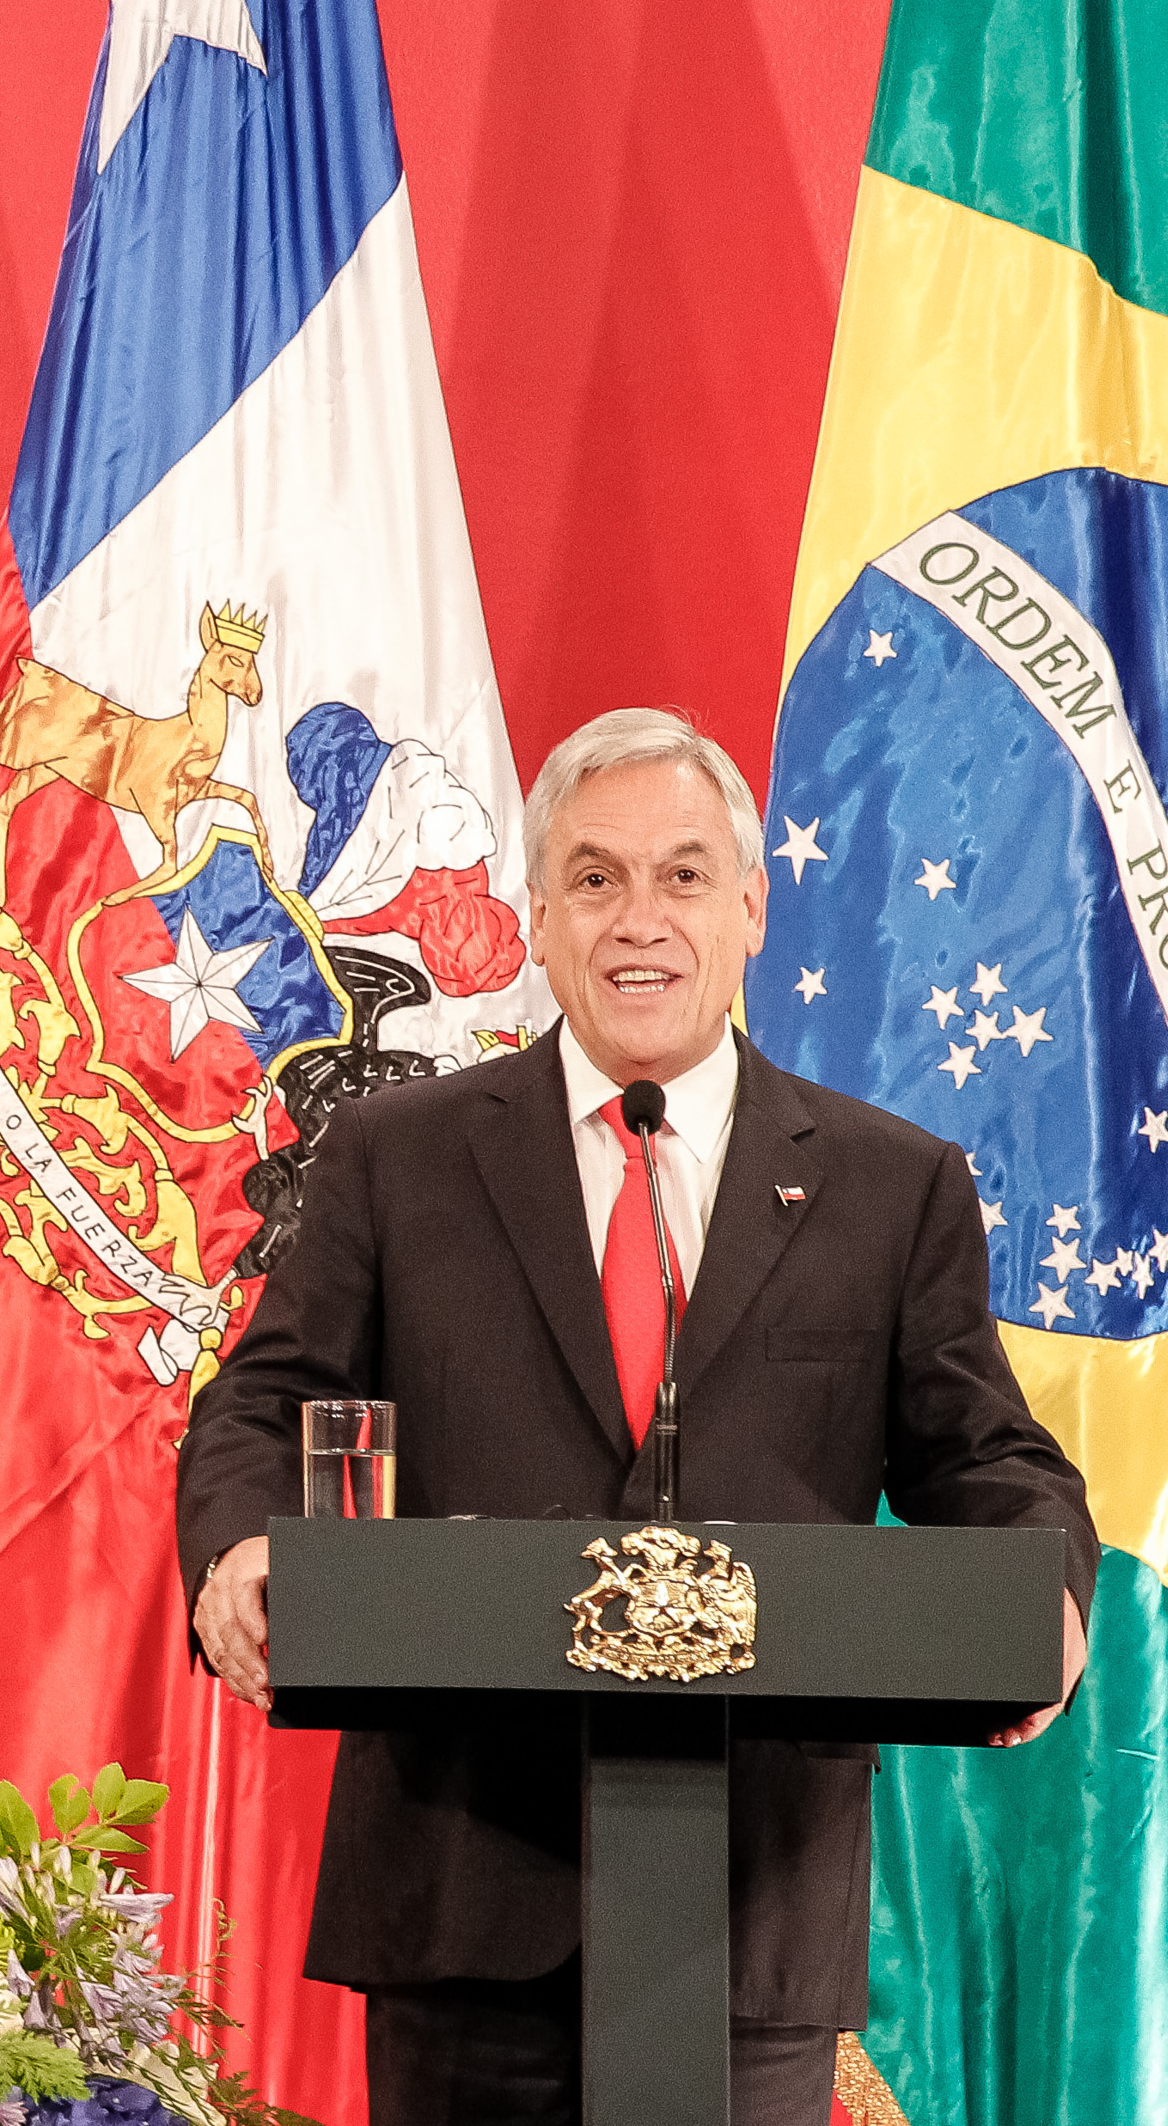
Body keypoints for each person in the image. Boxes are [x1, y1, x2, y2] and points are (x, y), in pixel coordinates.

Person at [176, 707, 1095, 2126]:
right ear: (537, 918)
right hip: (463, 1894)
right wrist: (239, 1546)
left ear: (747, 908)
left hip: (747, 1909)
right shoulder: (393, 1155)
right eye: (594, 878)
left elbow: (986, 1454)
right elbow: (263, 1398)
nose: (636, 919)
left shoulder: (888, 1184)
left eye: (680, 874)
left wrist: (1049, 1591)